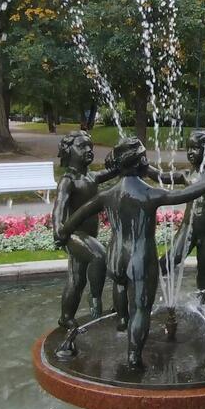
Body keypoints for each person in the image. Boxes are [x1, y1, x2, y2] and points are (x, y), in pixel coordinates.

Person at [60, 137, 205, 370]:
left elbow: (73, 220)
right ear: (140, 162)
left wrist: (63, 234)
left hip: (115, 257)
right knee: (141, 308)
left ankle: (121, 321)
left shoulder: (107, 195)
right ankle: (133, 357)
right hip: (139, 258)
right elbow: (185, 195)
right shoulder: (150, 194)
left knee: (120, 286)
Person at [51, 131, 115, 356]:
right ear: (69, 152)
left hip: (89, 235)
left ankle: (66, 318)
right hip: (74, 235)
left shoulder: (91, 177)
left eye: (90, 146)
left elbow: (115, 170)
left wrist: (122, 159)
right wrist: (58, 228)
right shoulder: (68, 181)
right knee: (100, 256)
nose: (89, 150)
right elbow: (59, 207)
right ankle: (95, 301)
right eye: (82, 147)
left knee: (76, 279)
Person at [159, 128, 205, 303]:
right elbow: (161, 177)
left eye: (195, 148)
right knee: (168, 261)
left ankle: (201, 300)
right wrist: (141, 168)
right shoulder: (187, 175)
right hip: (187, 230)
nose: (190, 152)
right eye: (188, 148)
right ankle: (146, 288)